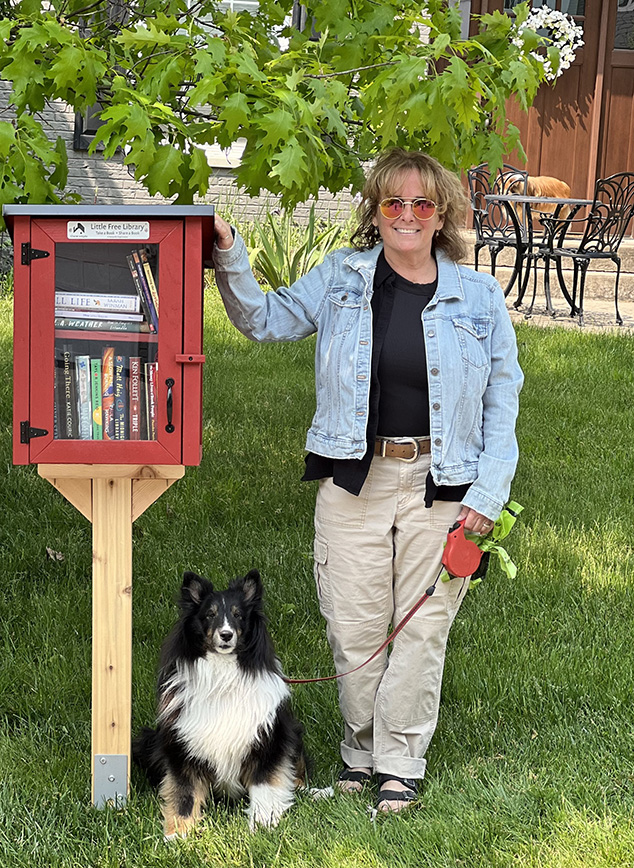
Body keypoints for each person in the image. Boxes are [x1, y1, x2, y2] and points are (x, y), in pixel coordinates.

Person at [212, 148, 523, 813]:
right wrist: (229, 250)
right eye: (393, 203)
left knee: (420, 628)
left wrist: (488, 497)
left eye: (421, 204)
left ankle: (399, 761)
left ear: (441, 215)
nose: (406, 216)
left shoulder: (479, 296)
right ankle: (360, 754)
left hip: (445, 481)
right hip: (354, 477)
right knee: (355, 628)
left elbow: (504, 400)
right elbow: (264, 321)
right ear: (375, 212)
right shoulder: (341, 279)